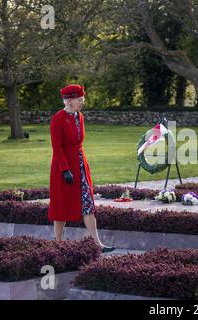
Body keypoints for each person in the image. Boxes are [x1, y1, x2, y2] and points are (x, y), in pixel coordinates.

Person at [48, 84, 115, 253]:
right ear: (69, 101)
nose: (82, 102)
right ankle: (57, 242)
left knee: (88, 204)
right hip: (64, 167)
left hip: (80, 165)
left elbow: (78, 143)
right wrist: (65, 170)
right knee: (61, 204)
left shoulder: (80, 116)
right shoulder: (58, 119)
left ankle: (97, 244)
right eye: (80, 100)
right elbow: (57, 147)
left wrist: (83, 165)